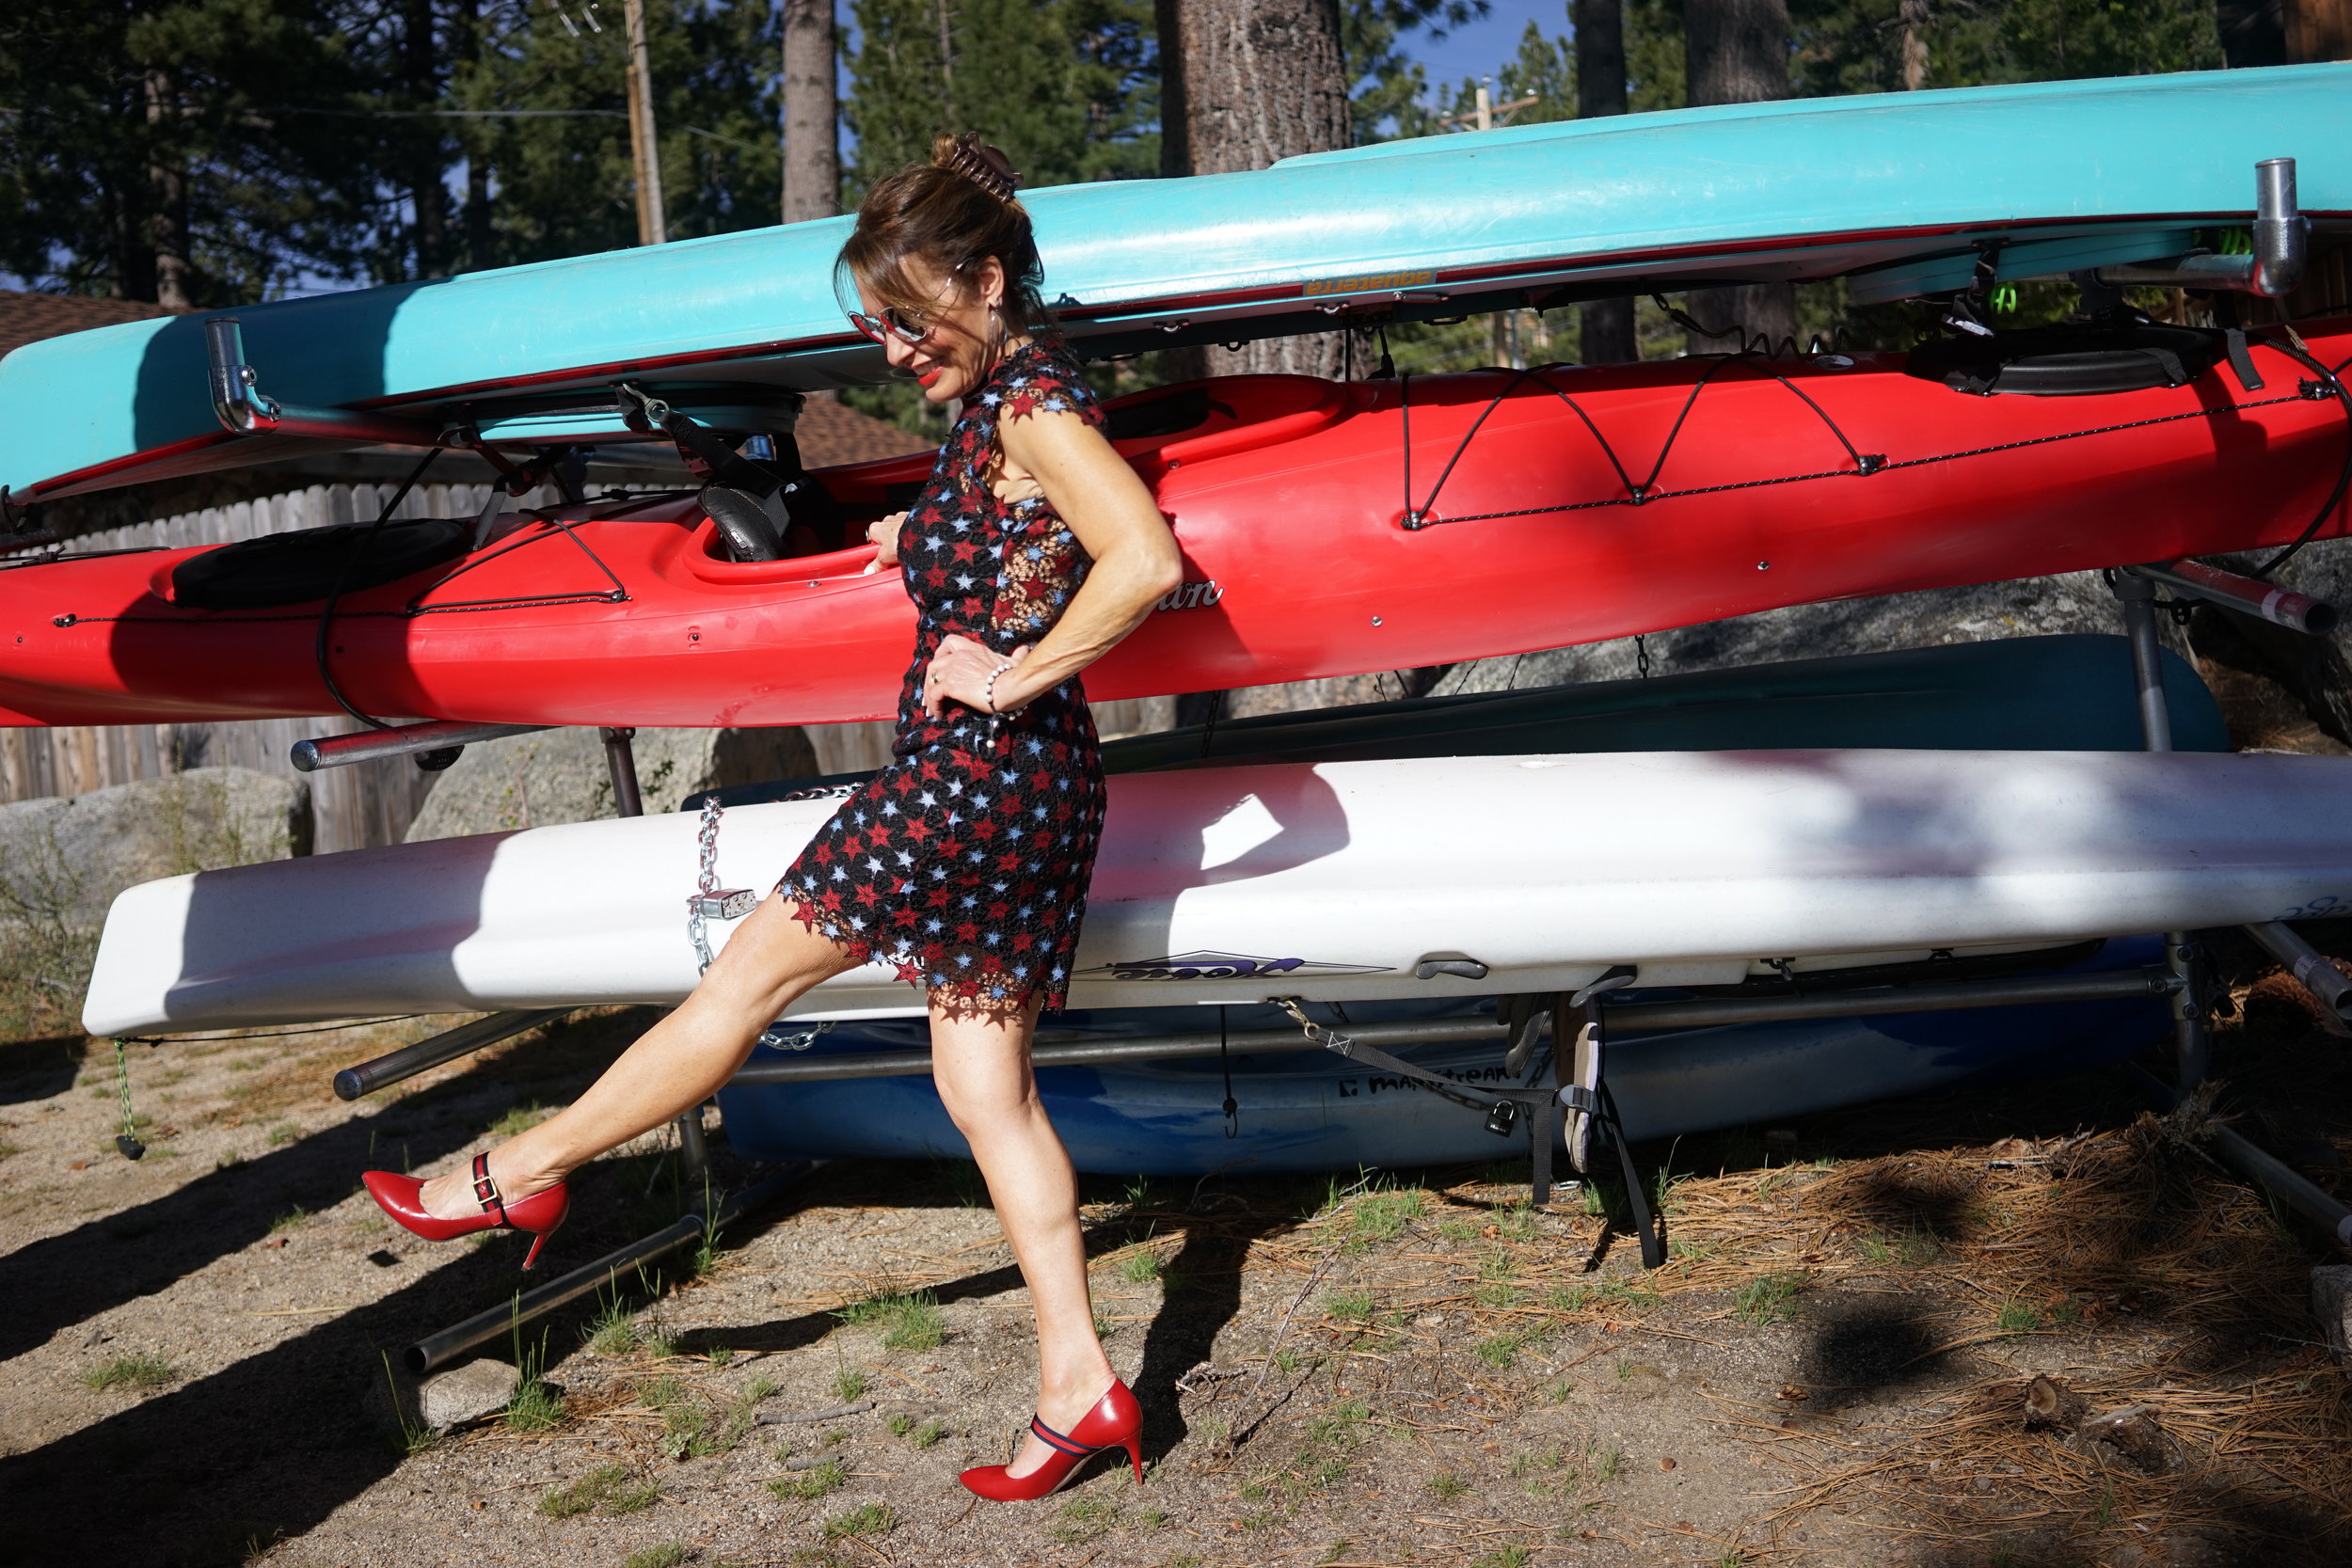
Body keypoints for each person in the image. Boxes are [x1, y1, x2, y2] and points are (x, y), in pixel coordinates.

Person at [360, 131, 1184, 1504]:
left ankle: (516, 1175)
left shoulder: (1033, 401)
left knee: (744, 977)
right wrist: (913, 545)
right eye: (878, 328)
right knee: (986, 1090)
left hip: (973, 781)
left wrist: (1020, 667)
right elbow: (1017, 534)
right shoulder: (1001, 409)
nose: (896, 353)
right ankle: (1079, 1385)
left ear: (985, 283)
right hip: (1027, 788)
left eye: (912, 322)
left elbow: (1144, 556)